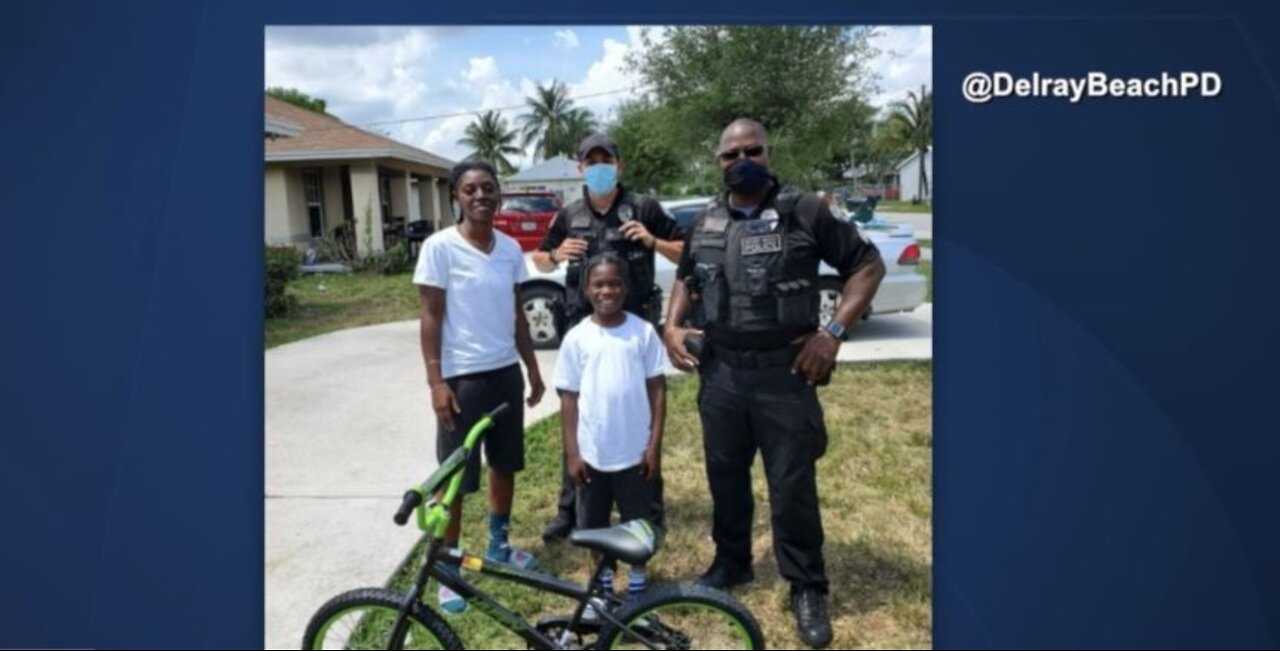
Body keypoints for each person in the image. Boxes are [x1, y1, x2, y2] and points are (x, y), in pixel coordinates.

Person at [662, 119, 886, 649]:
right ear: (717, 161)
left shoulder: (804, 209)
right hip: (720, 372)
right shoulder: (705, 220)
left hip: (785, 374)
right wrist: (672, 326)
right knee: (725, 474)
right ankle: (732, 562)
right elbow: (686, 277)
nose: (741, 158)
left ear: (768, 152)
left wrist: (832, 333)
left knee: (791, 485)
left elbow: (867, 266)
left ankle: (806, 584)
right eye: (730, 153)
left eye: (752, 149)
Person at [533, 132, 683, 542]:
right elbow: (540, 260)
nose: (598, 166)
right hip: (583, 330)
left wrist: (653, 241)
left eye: (606, 159)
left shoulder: (644, 208)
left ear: (620, 165)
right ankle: (571, 509)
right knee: (578, 416)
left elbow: (686, 250)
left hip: (635, 331)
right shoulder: (569, 214)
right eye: (590, 160)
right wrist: (555, 255)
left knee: (641, 414)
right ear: (580, 168)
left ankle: (650, 511)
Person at [414, 160, 547, 614]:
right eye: (470, 189)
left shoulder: (510, 249)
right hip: (461, 381)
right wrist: (436, 381)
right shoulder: (439, 248)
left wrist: (531, 368)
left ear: (499, 195)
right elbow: (430, 317)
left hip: (504, 373)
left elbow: (517, 314)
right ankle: (448, 567)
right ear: (457, 196)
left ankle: (498, 546)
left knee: (504, 464)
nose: (480, 196)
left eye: (488, 188)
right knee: (454, 479)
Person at [553, 253, 667, 605]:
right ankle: (602, 586)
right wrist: (573, 453)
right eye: (599, 284)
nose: (607, 290)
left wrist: (653, 446)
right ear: (587, 290)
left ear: (626, 287)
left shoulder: (642, 332)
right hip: (592, 454)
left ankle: (637, 585)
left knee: (638, 524)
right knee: (593, 526)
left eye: (614, 283)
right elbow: (569, 399)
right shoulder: (577, 338)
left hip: (634, 452)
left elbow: (658, 389)